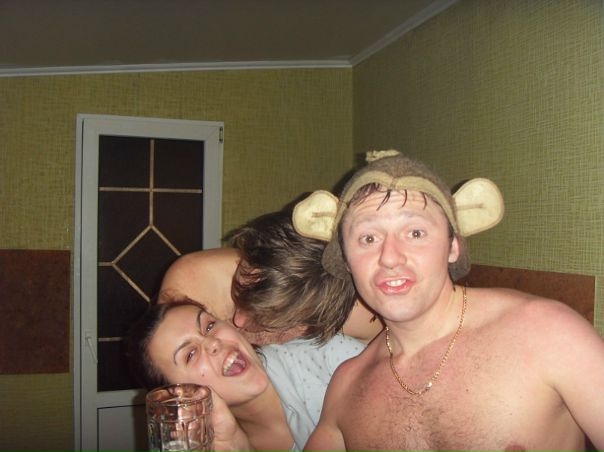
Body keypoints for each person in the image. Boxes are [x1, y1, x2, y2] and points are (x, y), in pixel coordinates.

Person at [291, 150, 604, 451]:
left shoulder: (548, 334)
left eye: (415, 233)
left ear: (453, 246)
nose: (389, 258)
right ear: (346, 260)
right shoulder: (346, 387)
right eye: (368, 238)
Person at [128, 298, 365, 452]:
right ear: (178, 400)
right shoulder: (211, 444)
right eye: (190, 354)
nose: (212, 342)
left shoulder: (331, 360)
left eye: (209, 326)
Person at [159, 210, 383, 345]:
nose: (239, 321)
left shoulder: (353, 311)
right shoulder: (191, 282)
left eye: (263, 318)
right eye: (240, 286)